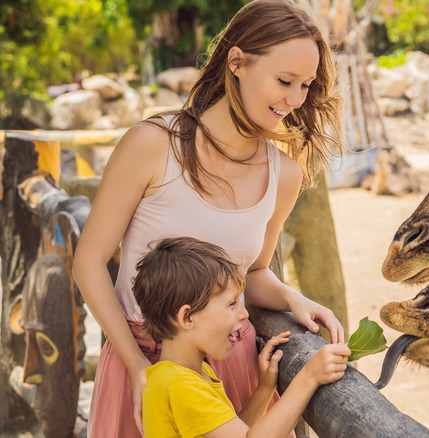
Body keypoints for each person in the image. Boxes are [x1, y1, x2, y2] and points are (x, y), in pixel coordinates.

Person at [72, 0, 345, 436]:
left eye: (307, 86)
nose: (295, 101)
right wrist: (138, 365)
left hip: (231, 364)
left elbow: (250, 273)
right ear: (236, 61)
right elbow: (88, 262)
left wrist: (294, 299)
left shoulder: (285, 175)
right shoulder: (152, 145)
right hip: (140, 361)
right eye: (284, 81)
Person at [134, 237, 350, 437]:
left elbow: (234, 431)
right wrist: (308, 377)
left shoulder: (189, 373)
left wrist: (265, 389)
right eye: (232, 303)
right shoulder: (179, 385)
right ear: (187, 317)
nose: (244, 313)